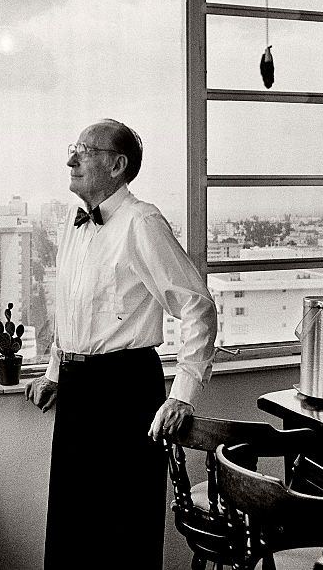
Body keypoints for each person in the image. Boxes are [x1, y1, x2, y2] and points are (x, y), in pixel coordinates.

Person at [25, 119, 217, 570]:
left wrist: (182, 396)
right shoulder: (72, 225)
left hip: (125, 390)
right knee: (74, 527)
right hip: (77, 390)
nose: (71, 160)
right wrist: (56, 373)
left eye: (83, 151)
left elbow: (198, 308)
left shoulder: (142, 221)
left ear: (116, 165)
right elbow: (69, 309)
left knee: (122, 528)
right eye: (72, 149)